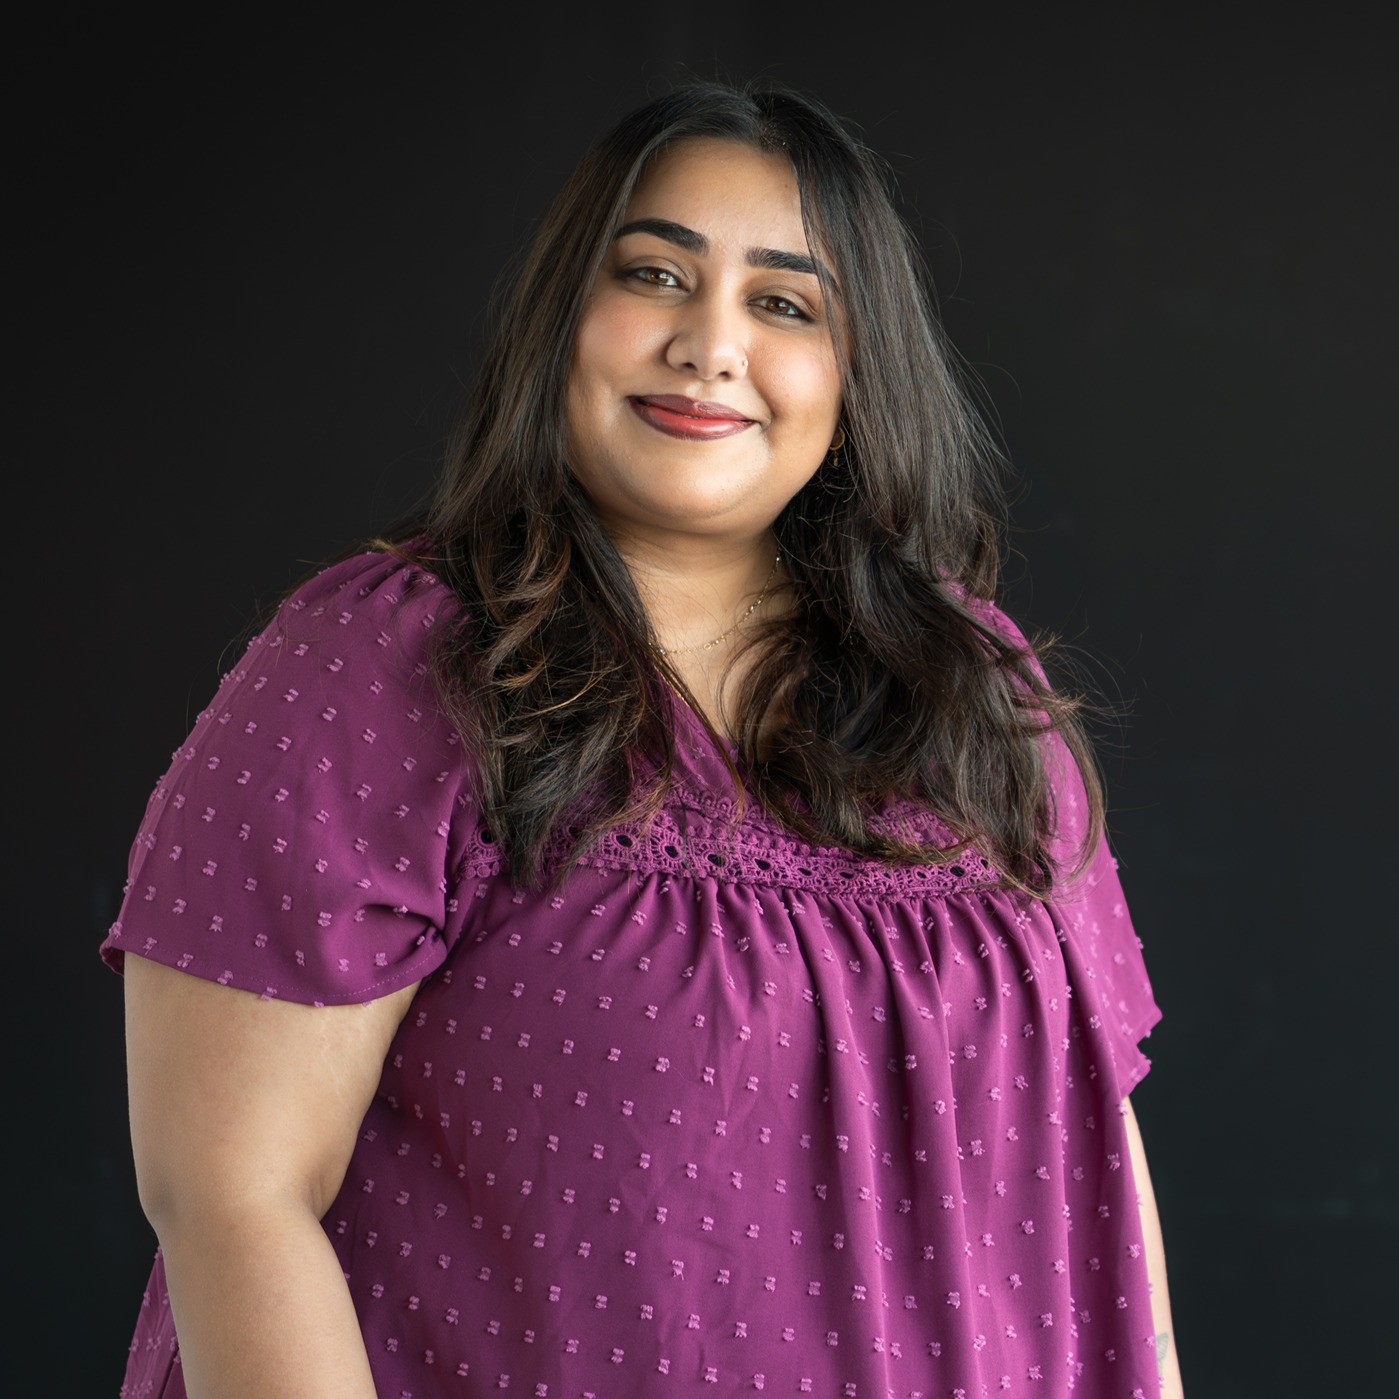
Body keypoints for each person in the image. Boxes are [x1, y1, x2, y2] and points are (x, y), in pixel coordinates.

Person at [103, 79, 1184, 1399]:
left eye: (784, 302)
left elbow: (1097, 1182)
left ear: (859, 372)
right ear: (565, 317)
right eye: (657, 275)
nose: (709, 343)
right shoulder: (391, 666)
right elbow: (230, 1192)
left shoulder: (978, 695)